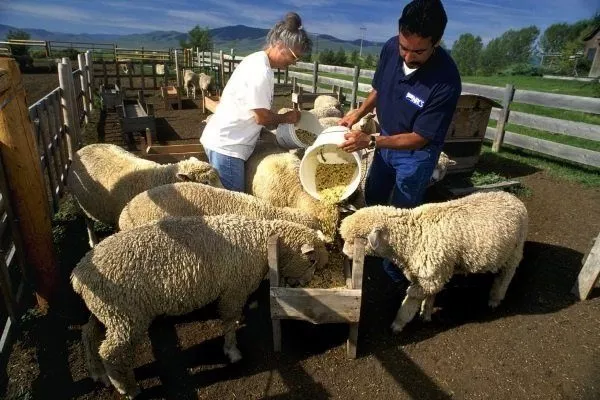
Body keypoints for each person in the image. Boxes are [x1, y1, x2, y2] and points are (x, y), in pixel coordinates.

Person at [338, 0, 461, 281]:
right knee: (375, 196)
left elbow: (420, 138)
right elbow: (380, 89)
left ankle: (395, 273)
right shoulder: (390, 48)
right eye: (404, 47)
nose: (407, 56)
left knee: (402, 215)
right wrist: (359, 112)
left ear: (437, 42)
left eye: (418, 51)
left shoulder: (446, 81)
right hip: (383, 142)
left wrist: (371, 140)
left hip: (414, 154)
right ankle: (371, 249)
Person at [200, 12, 311, 191]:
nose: (294, 63)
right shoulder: (261, 72)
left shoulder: (256, 61)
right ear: (279, 44)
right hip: (228, 147)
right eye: (293, 57)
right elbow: (261, 118)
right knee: (234, 206)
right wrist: (286, 118)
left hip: (224, 141)